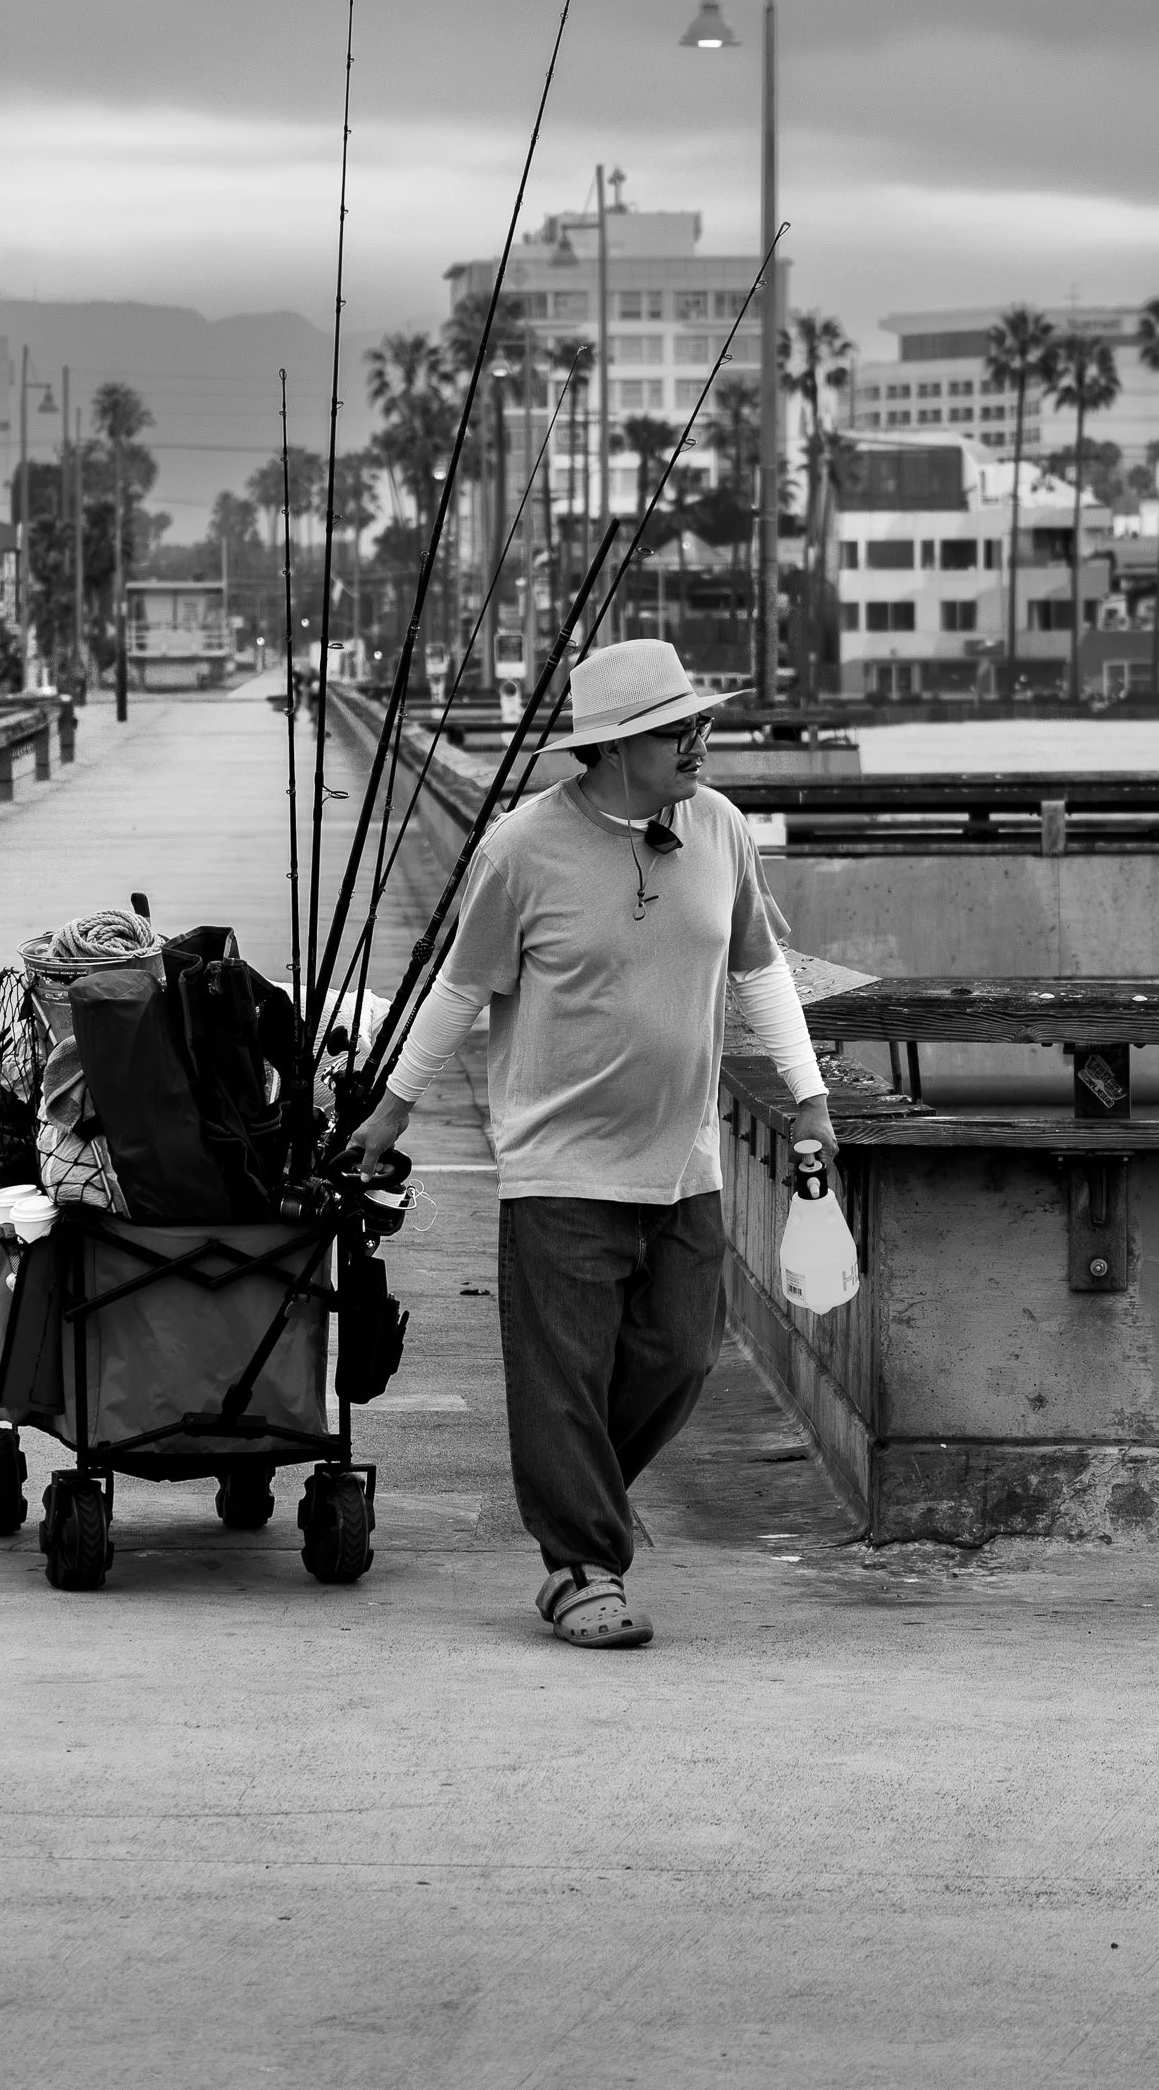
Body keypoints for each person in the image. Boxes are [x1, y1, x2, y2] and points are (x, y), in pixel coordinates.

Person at [352, 639, 836, 1651]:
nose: (702, 742)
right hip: (557, 1159)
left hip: (683, 1158)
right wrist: (394, 1107)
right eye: (679, 730)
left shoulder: (721, 828)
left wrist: (810, 1095)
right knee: (561, 1374)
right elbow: (459, 987)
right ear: (617, 748)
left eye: (701, 723)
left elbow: (760, 971)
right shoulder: (520, 850)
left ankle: (573, 1504)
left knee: (681, 1354)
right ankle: (581, 1563)